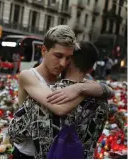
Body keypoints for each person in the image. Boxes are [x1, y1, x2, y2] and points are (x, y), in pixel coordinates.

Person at [8, 26, 114, 159]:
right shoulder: (29, 76)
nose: (63, 63)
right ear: (44, 51)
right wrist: (83, 89)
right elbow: (59, 108)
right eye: (58, 56)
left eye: (68, 58)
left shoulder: (64, 79)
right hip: (26, 154)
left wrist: (79, 88)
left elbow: (108, 91)